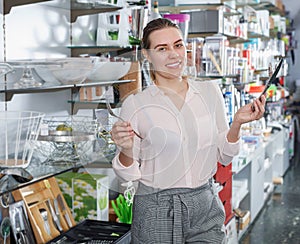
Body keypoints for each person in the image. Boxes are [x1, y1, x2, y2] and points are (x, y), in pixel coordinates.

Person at [110, 18, 266, 243]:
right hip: (156, 208)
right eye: (162, 49)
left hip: (204, 202)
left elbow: (225, 155)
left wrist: (237, 124)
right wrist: (126, 149)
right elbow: (129, 176)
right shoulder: (136, 104)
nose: (173, 54)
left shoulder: (210, 92)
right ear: (146, 55)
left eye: (178, 45)